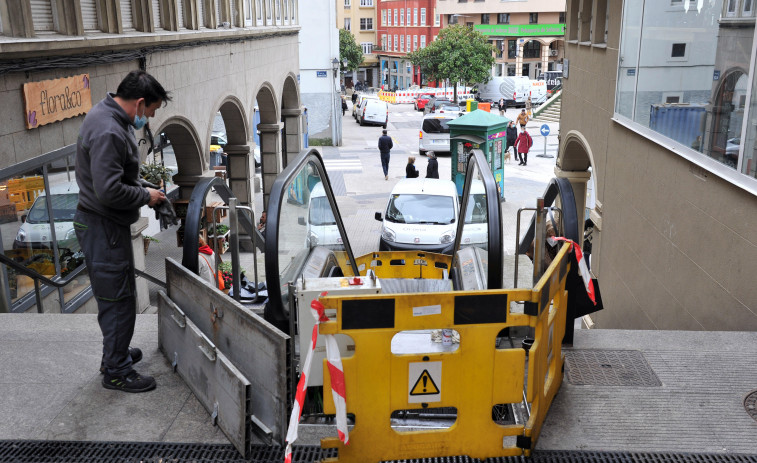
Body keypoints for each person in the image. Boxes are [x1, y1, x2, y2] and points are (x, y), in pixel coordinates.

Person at [75, 70, 170, 393]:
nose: (149, 118)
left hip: (103, 225)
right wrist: (147, 196)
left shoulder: (105, 115)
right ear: (140, 103)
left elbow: (112, 175)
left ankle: (114, 353)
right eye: (151, 112)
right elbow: (109, 190)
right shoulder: (109, 131)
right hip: (103, 226)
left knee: (116, 296)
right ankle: (116, 370)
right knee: (119, 300)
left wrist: (142, 185)